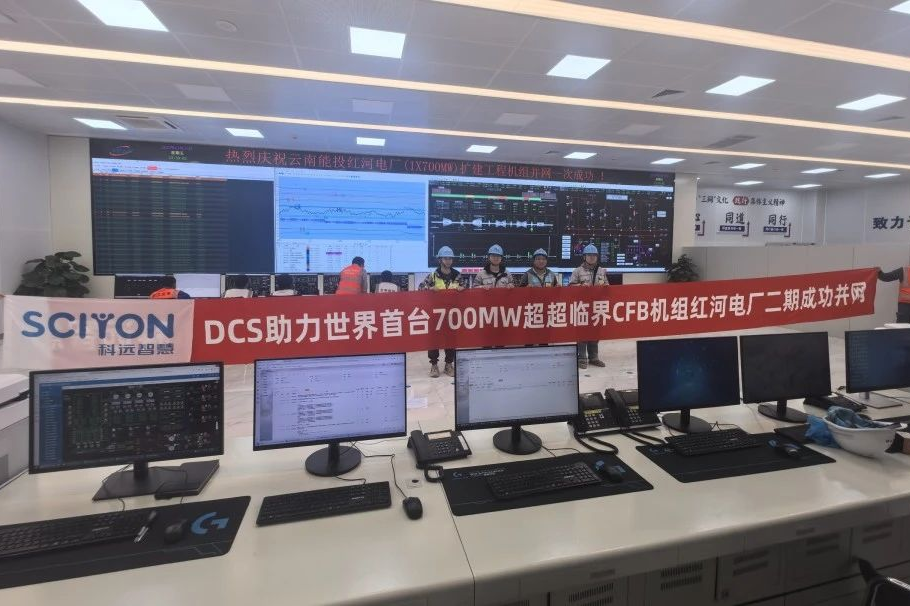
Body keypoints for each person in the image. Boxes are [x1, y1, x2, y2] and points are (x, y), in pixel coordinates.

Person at [419, 246, 466, 378]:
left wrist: (463, 288)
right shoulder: (433, 275)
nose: (448, 261)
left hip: (452, 314)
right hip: (436, 315)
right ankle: (434, 365)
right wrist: (429, 288)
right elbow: (420, 288)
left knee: (451, 340)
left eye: (450, 258)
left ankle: (448, 364)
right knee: (434, 340)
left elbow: (465, 289)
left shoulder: (457, 275)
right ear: (440, 260)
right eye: (446, 258)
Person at [570, 244, 609, 369]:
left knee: (595, 333)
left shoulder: (602, 271)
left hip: (597, 307)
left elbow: (607, 286)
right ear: (584, 257)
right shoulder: (577, 271)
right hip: (582, 307)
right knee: (582, 333)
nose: (592, 257)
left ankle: (594, 357)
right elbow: (570, 287)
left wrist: (605, 287)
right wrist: (580, 286)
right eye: (589, 255)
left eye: (594, 255)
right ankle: (582, 358)